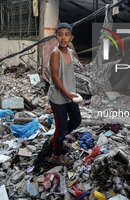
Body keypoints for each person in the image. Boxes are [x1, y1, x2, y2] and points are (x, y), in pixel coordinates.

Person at [48, 22, 81, 166]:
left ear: (71, 38)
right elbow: (55, 77)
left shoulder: (71, 53)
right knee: (61, 128)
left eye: (66, 35)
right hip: (58, 97)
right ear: (56, 37)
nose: (63, 38)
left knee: (76, 120)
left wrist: (71, 93)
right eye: (60, 34)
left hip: (69, 95)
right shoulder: (56, 53)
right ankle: (56, 156)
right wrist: (67, 93)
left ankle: (56, 138)